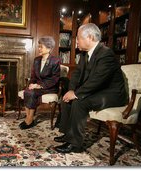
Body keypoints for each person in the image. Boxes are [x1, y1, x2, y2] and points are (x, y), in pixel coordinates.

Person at [53, 23, 128, 154]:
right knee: (66, 98)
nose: (76, 42)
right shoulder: (84, 54)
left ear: (90, 37)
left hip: (112, 94)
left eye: (79, 38)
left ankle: (75, 144)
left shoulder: (106, 54)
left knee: (79, 101)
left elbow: (97, 80)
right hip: (98, 90)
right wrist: (71, 90)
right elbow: (76, 74)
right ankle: (67, 135)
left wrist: (76, 94)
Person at [19, 36, 61, 130]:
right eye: (39, 46)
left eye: (41, 47)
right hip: (37, 86)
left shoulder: (55, 61)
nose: (39, 49)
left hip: (49, 87)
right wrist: (31, 84)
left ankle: (29, 120)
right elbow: (33, 75)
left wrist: (39, 86)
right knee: (27, 91)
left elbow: (54, 79)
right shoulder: (37, 60)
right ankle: (29, 118)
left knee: (33, 92)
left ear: (49, 48)